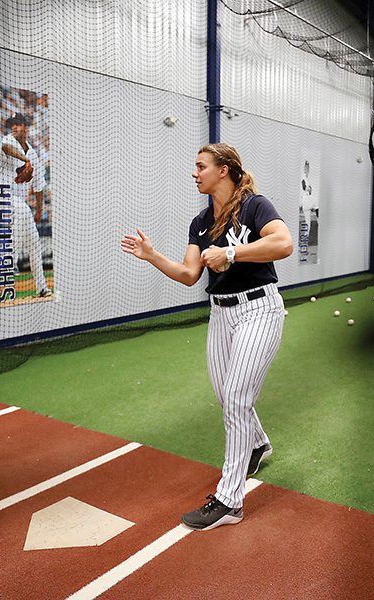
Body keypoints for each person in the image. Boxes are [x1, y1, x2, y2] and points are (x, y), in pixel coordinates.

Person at [121, 143, 292, 530]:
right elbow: (189, 274)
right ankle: (258, 444)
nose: (194, 173)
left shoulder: (255, 205)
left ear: (225, 170)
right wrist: (151, 255)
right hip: (220, 315)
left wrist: (232, 255)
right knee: (226, 396)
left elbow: (283, 243)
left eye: (201, 166)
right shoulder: (200, 221)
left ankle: (230, 500)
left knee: (235, 398)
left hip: (259, 311)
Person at [0, 112, 50, 298]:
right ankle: (10, 267)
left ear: (26, 127)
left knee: (34, 242)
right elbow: (7, 148)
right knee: (23, 210)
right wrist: (26, 161)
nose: (15, 127)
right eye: (13, 125)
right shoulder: (9, 140)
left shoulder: (33, 152)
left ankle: (42, 288)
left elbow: (39, 185)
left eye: (18, 124)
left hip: (17, 204)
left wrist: (39, 210)